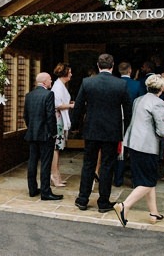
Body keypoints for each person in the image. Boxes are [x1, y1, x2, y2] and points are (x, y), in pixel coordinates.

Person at [71, 54, 129, 213]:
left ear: (98, 65)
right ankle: (103, 202)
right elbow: (128, 110)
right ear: (112, 65)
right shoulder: (120, 84)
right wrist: (126, 128)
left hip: (91, 129)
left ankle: (83, 199)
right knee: (107, 166)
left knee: (88, 164)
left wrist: (74, 125)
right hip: (112, 130)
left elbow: (78, 106)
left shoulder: (88, 82)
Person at [112, 75, 164, 226]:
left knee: (146, 180)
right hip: (147, 146)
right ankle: (124, 206)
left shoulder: (138, 100)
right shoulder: (159, 103)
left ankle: (154, 213)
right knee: (149, 180)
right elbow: (160, 130)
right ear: (161, 88)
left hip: (133, 143)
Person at [25, 72, 63, 201]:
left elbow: (26, 115)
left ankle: (32, 189)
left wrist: (31, 128)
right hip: (46, 134)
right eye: (50, 80)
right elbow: (50, 116)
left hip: (32, 133)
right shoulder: (48, 94)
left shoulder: (29, 95)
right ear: (45, 81)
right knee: (46, 163)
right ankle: (45, 192)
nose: (51, 82)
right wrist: (53, 133)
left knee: (32, 161)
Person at [114, 61, 146, 187]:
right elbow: (142, 102)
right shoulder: (137, 85)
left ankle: (117, 179)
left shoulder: (115, 84)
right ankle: (134, 181)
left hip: (117, 121)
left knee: (119, 149)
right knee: (133, 151)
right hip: (134, 120)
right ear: (130, 70)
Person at [50, 63, 75, 188]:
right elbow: (57, 104)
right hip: (58, 119)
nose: (71, 74)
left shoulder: (61, 86)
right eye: (69, 72)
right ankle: (54, 175)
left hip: (60, 119)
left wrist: (69, 103)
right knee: (56, 148)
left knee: (58, 148)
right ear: (65, 73)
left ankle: (57, 174)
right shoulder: (57, 87)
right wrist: (71, 105)